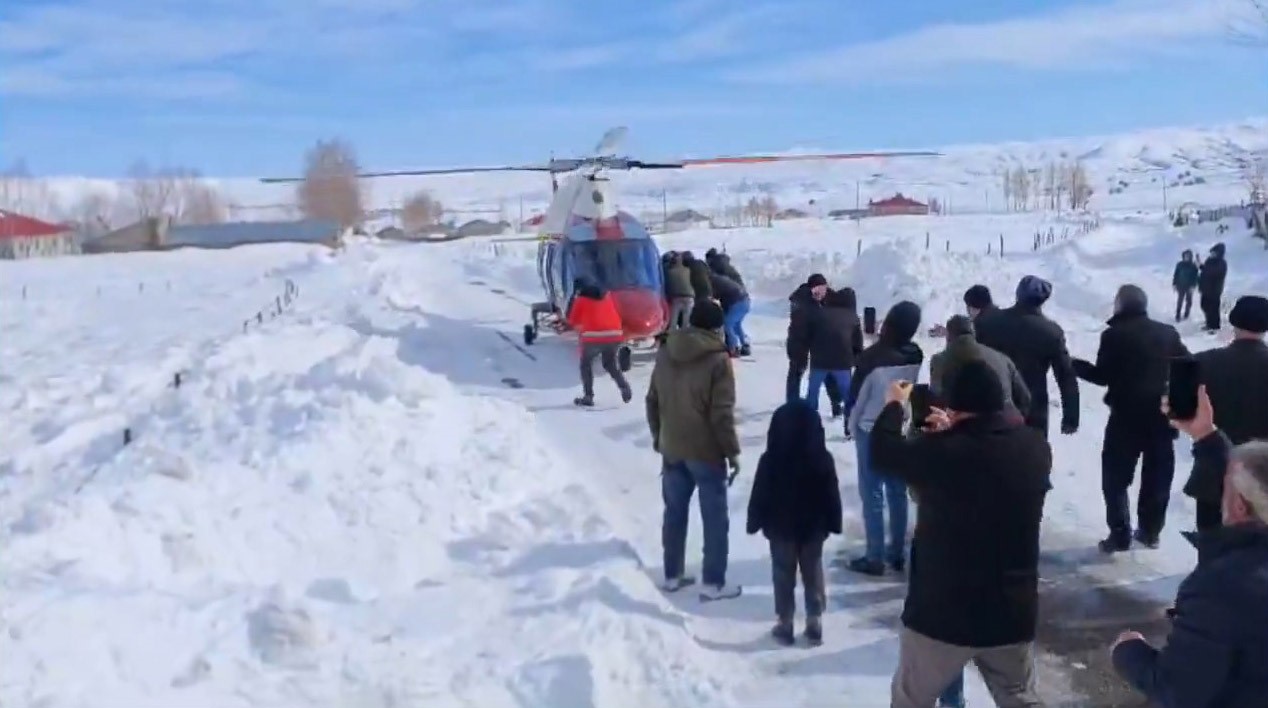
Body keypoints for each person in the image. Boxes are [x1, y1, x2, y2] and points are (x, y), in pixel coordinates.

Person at [872, 362, 1052, 708]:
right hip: (1010, 611)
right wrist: (952, 434)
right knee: (1019, 698)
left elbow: (883, 453)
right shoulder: (1035, 449)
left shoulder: (940, 454)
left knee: (911, 699)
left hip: (942, 613)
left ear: (954, 406)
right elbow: (983, 458)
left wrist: (895, 404)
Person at [1111, 384, 1268, 707]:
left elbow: (1179, 692)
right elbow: (1254, 475)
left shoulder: (1225, 587)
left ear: (1238, 506)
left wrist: (1129, 651)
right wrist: (1206, 435)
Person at [1071, 285, 1189, 552]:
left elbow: (1103, 376)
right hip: (1161, 417)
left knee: (1115, 477)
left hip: (1126, 416)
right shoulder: (1168, 333)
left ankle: (1120, 533)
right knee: (1158, 476)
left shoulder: (1114, 335)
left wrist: (1073, 365)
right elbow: (1188, 366)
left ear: (1120, 306)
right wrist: (1176, 404)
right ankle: (1150, 532)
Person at [645, 299, 743, 601]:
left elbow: (652, 401)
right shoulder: (718, 360)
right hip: (706, 451)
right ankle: (713, 583)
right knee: (714, 518)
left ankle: (672, 575)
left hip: (672, 447)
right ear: (716, 327)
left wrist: (659, 438)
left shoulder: (665, 350)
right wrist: (732, 452)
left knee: (674, 513)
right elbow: (721, 414)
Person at [745, 400, 843, 646]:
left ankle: (785, 621)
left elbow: (760, 493)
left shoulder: (770, 460)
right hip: (813, 529)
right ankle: (814, 618)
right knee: (813, 571)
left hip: (780, 528)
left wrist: (754, 521)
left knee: (782, 573)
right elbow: (832, 493)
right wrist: (834, 521)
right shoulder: (823, 459)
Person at [845, 301, 923, 576]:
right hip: (897, 424)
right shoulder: (916, 353)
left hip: (870, 426)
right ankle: (897, 554)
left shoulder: (871, 358)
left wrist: (850, 425)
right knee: (897, 489)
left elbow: (857, 397)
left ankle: (874, 556)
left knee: (872, 492)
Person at [1188, 295, 1268, 532]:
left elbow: (1177, 410)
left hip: (1214, 470)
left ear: (1233, 323)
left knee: (1211, 540)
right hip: (1263, 473)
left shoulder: (1202, 362)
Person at [975, 275, 1080, 439]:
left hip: (993, 402)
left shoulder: (990, 322)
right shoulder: (1051, 332)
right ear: (1043, 300)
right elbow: (1065, 375)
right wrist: (1071, 417)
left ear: (1018, 294)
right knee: (1031, 458)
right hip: (1033, 406)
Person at [929, 314, 1031, 422]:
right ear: (974, 333)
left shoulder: (940, 360)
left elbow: (937, 397)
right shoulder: (1000, 357)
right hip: (1004, 421)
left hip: (965, 425)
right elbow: (1025, 397)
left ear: (948, 336)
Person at [565, 279, 632, 407]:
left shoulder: (581, 299)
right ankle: (625, 388)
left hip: (593, 337)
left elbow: (573, 321)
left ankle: (588, 396)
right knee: (610, 364)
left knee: (586, 365)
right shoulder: (607, 296)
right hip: (615, 335)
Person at [787, 274, 843, 411]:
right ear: (810, 289)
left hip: (820, 338)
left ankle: (836, 402)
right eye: (816, 290)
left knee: (827, 369)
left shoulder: (828, 296)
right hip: (799, 339)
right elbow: (800, 326)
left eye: (823, 289)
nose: (820, 293)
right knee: (796, 370)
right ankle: (792, 404)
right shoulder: (801, 301)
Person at [802, 287, 863, 415]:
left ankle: (808, 420)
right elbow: (857, 344)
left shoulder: (821, 313)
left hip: (819, 361)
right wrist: (857, 361)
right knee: (848, 393)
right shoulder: (853, 317)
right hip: (842, 362)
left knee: (813, 392)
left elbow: (808, 335)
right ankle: (850, 423)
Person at [709, 268, 751, 357]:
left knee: (727, 324)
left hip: (737, 302)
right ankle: (745, 345)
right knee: (736, 325)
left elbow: (715, 296)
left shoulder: (714, 282)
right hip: (745, 300)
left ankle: (734, 348)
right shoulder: (720, 279)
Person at [1198, 242, 1228, 332]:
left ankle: (1214, 326)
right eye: (1212, 252)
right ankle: (1208, 322)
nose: (1212, 254)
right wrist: (1201, 266)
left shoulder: (1222, 263)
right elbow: (1205, 271)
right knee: (1204, 306)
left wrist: (1205, 268)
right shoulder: (1209, 261)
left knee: (1213, 309)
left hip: (1214, 290)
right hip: (1205, 289)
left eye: (1214, 252)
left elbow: (1215, 273)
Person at [663, 253, 695, 330]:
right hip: (689, 296)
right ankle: (684, 337)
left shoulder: (669, 272)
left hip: (676, 297)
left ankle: (672, 336)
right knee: (686, 321)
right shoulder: (688, 270)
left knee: (673, 320)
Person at [1172, 249, 1199, 322]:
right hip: (1180, 285)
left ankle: (1186, 314)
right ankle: (1178, 315)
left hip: (1189, 286)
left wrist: (1193, 286)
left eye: (1188, 256)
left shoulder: (1193, 266)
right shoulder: (1179, 264)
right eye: (1185, 256)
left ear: (1190, 257)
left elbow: (1195, 277)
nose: (1186, 257)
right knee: (1180, 300)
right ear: (1183, 256)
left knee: (1189, 301)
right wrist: (1174, 284)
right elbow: (1176, 274)